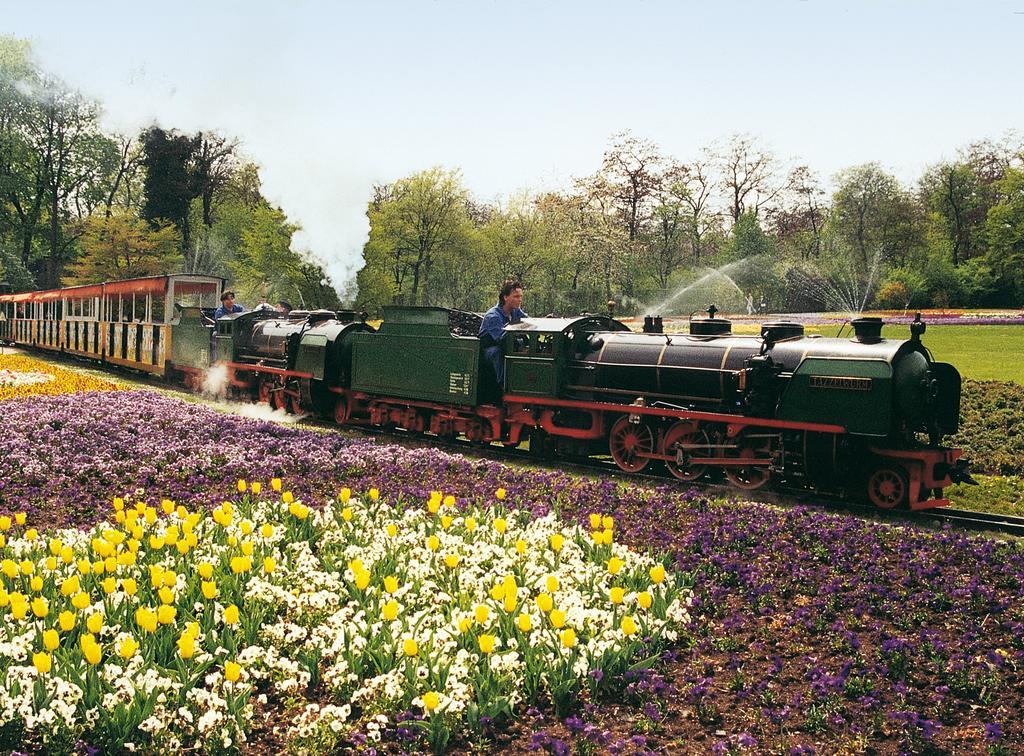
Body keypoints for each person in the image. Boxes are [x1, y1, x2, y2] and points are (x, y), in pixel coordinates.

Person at [479, 279, 526, 384]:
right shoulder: (493, 316)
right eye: (516, 296)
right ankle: (504, 384)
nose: (520, 300)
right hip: (489, 349)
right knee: (498, 352)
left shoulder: (516, 311)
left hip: (506, 343)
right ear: (505, 297)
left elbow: (528, 322)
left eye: (521, 296)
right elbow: (502, 339)